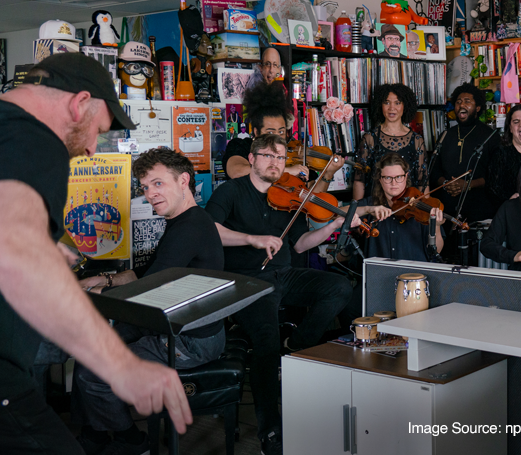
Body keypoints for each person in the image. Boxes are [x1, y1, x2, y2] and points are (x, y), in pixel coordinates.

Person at [0, 53, 190, 454]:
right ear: (79, 103)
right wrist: (122, 368)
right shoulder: (34, 139)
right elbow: (14, 252)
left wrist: (44, 246)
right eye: (97, 131)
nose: (90, 149)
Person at [205, 134, 353, 455]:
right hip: (246, 283)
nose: (275, 163)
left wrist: (333, 225)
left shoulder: (288, 196)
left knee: (339, 288)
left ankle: (296, 346)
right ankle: (270, 432)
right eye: (268, 156)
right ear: (253, 158)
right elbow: (207, 230)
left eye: (281, 158)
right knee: (266, 343)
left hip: (283, 276)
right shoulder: (230, 191)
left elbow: (299, 245)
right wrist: (252, 239)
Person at [73, 147, 224, 454]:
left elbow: (146, 292)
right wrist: (105, 279)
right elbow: (147, 273)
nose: (150, 193)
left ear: (183, 180)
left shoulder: (190, 228)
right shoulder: (187, 221)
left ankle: (132, 441)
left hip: (188, 342)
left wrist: (90, 296)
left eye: (158, 183)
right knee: (90, 351)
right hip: (179, 329)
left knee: (92, 371)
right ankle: (97, 433)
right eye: (145, 187)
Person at [223, 81, 345, 188]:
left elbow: (312, 199)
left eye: (281, 131)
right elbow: (236, 172)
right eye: (270, 132)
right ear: (256, 132)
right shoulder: (241, 146)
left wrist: (328, 174)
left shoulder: (293, 155)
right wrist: (287, 171)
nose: (277, 137)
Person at [430, 83, 499, 225]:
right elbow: (433, 170)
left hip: (479, 211)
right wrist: (445, 183)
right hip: (446, 210)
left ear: (478, 107)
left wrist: (468, 185)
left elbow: (496, 176)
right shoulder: (445, 135)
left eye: (467, 101)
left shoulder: (491, 136)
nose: (462, 105)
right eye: (458, 102)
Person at [353, 83, 426, 200]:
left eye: (397, 103)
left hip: (407, 208)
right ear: (380, 105)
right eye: (387, 102)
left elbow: (423, 181)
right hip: (375, 206)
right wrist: (357, 212)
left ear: (405, 106)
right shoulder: (369, 138)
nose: (392, 108)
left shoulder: (417, 140)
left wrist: (424, 212)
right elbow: (359, 180)